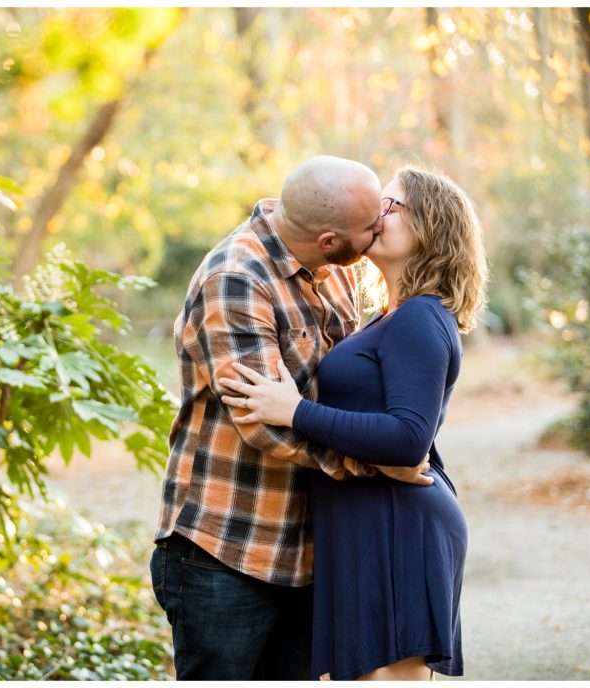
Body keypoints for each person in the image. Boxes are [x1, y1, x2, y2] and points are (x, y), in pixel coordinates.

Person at [150, 156, 431, 681]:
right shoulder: (235, 278)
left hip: (308, 548)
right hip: (227, 552)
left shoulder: (334, 273)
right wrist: (373, 464)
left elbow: (354, 393)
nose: (378, 231)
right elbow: (263, 424)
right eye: (370, 226)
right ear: (329, 240)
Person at [220, 166, 488, 680]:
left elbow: (409, 439)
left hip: (394, 523)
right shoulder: (389, 315)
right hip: (365, 517)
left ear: (429, 227)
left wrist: (295, 411)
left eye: (389, 206)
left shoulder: (418, 318)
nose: (373, 216)